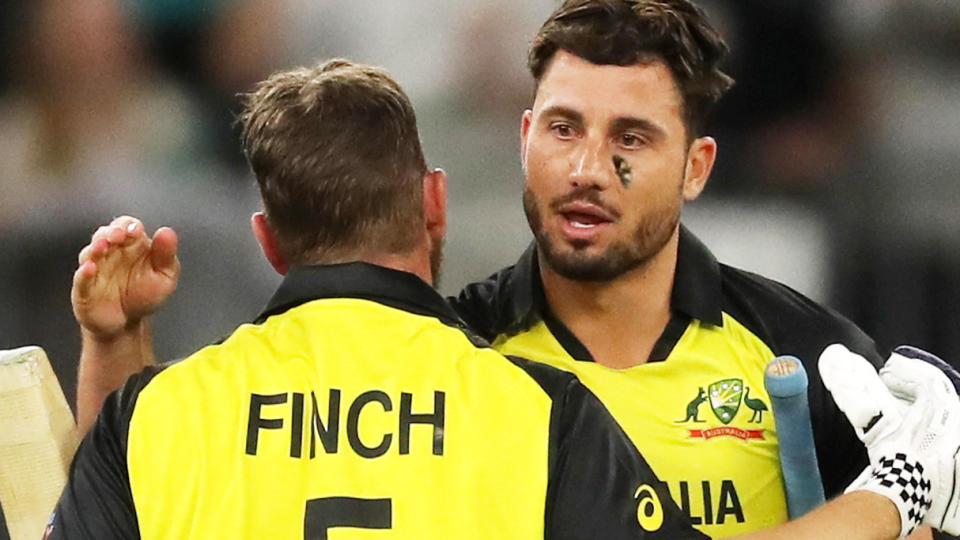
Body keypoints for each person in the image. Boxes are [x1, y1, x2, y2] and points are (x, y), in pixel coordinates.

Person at [66, 1, 950, 538]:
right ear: (523, 139)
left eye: (631, 138)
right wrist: (888, 504)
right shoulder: (463, 358)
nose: (587, 169)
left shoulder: (802, 351)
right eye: (563, 128)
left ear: (698, 167)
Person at [51, 59, 705, 539]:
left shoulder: (156, 417)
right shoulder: (545, 415)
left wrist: (114, 341)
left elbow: (114, 490)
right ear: (436, 204)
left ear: (269, 242)